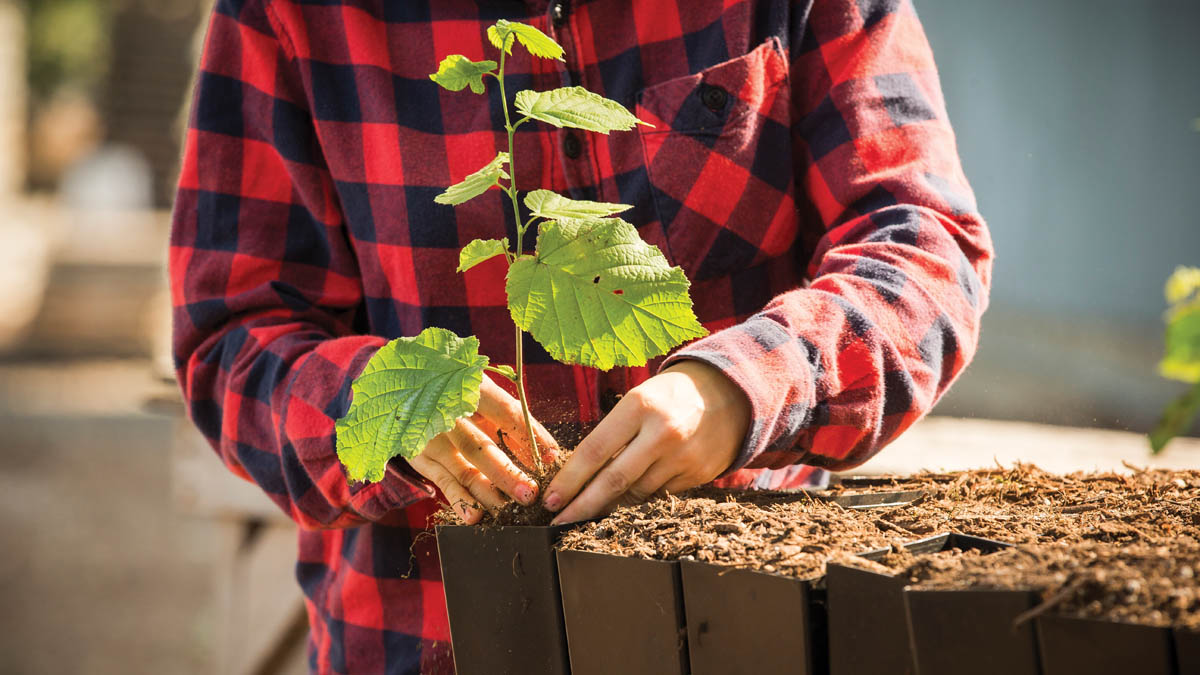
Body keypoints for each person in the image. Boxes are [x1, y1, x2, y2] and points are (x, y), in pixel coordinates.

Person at [171, 0, 992, 672]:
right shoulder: (293, 15)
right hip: (427, 641)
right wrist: (389, 404)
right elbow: (230, 335)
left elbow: (923, 244)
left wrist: (742, 387)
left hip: (747, 620)